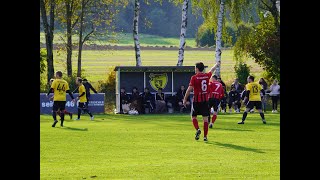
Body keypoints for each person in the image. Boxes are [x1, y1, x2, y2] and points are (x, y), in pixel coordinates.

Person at [183, 61, 220, 142]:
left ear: (197, 68)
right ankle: (205, 137)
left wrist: (185, 99)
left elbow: (189, 90)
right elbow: (212, 70)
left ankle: (198, 129)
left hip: (196, 101)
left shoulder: (194, 77)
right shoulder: (207, 76)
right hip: (205, 101)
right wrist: (216, 64)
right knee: (205, 119)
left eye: (195, 68)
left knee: (193, 117)